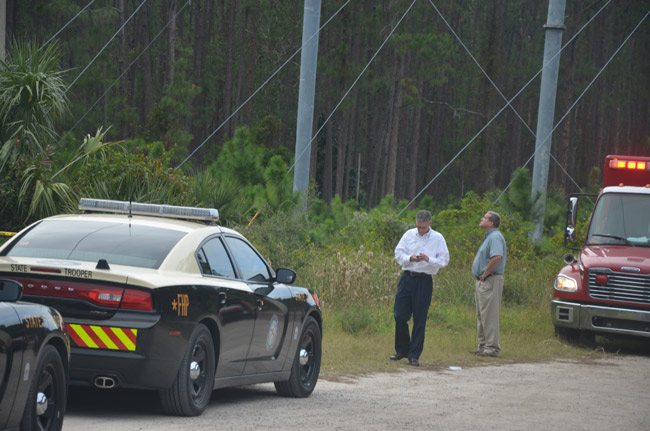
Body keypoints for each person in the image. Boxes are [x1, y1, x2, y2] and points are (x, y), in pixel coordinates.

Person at [390, 210, 449, 367]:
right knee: (400, 315)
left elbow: (444, 260)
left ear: (430, 223)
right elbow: (398, 253)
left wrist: (429, 260)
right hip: (407, 277)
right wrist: (410, 258)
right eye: (418, 227)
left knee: (420, 318)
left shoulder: (438, 238)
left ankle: (414, 355)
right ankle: (402, 349)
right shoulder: (409, 234)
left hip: (424, 280)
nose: (421, 230)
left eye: (423, 227)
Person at [470, 211, 507, 357]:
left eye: (484, 218)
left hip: (490, 280)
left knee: (489, 315)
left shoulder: (495, 237)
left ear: (491, 223)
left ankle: (491, 348)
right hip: (482, 281)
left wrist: (485, 273)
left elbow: (497, 256)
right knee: (482, 314)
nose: (481, 219)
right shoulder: (488, 237)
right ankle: (483, 345)